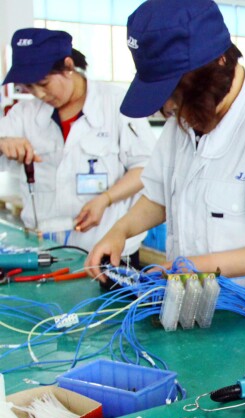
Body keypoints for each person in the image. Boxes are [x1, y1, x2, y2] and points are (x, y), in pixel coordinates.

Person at [85, 0, 245, 306]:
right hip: (189, 307)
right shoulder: (185, 119)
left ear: (216, 66)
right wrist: (120, 232)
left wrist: (201, 267)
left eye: (176, 96)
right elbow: (159, 195)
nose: (170, 110)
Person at [0, 28, 155, 258]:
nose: (39, 95)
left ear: (68, 66)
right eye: (29, 87)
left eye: (43, 83)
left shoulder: (117, 104)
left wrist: (106, 199)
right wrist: (2, 143)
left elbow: (145, 168)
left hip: (107, 252)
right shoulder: (24, 114)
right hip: (44, 251)